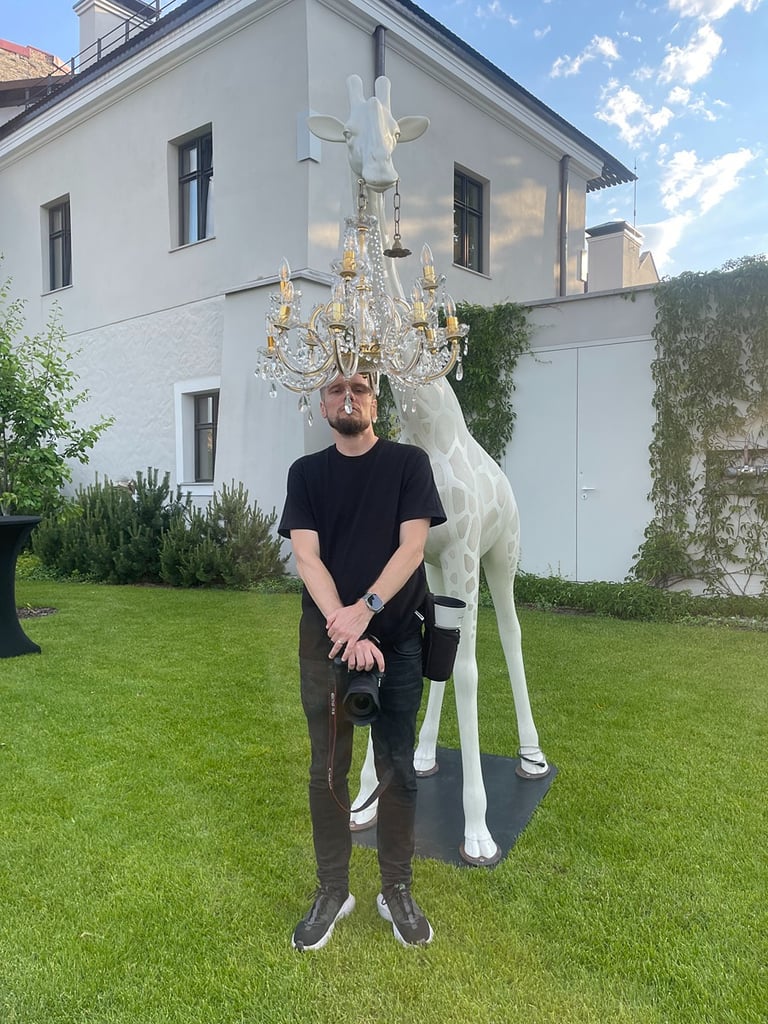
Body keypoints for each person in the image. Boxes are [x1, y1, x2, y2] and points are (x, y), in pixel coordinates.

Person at [278, 371, 446, 951]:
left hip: (396, 639)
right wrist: (345, 628)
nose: (347, 397)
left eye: (359, 387)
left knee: (398, 766)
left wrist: (366, 612)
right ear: (323, 405)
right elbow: (307, 557)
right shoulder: (306, 474)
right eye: (335, 389)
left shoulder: (408, 465)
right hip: (326, 643)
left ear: (375, 400)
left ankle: (395, 888)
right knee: (328, 770)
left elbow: (413, 547)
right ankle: (333, 890)